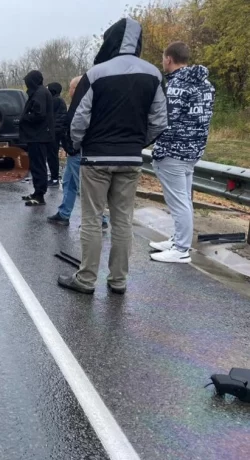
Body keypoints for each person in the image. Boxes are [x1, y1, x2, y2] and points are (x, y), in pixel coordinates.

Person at [58, 17, 168, 295]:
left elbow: (78, 119)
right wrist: (136, 143)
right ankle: (118, 281)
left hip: (96, 158)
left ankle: (86, 279)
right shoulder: (153, 74)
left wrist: (77, 145)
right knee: (122, 220)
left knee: (92, 219)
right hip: (130, 159)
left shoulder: (96, 74)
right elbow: (159, 120)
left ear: (110, 41)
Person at [149, 42, 215, 264]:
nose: (162, 62)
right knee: (184, 199)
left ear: (169, 59)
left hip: (174, 151)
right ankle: (178, 239)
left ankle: (181, 249)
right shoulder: (205, 85)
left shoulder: (176, 86)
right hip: (192, 150)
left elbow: (164, 120)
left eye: (163, 58)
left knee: (179, 202)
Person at [47, 77, 109, 229]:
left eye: (71, 88)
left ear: (78, 88)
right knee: (68, 183)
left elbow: (81, 128)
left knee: (85, 187)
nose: (69, 91)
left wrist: (73, 145)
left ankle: (99, 219)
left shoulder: (87, 104)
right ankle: (64, 214)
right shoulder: (78, 104)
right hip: (73, 151)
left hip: (80, 151)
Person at [19, 70, 55, 206]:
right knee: (36, 164)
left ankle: (39, 195)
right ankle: (37, 192)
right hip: (37, 135)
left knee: (38, 165)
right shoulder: (40, 92)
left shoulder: (39, 93)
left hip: (38, 135)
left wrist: (24, 118)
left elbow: (39, 114)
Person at [46, 82, 66, 186]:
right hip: (57, 131)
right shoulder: (59, 100)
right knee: (52, 155)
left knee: (52, 155)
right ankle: (54, 177)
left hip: (54, 131)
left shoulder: (55, 100)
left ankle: (54, 178)